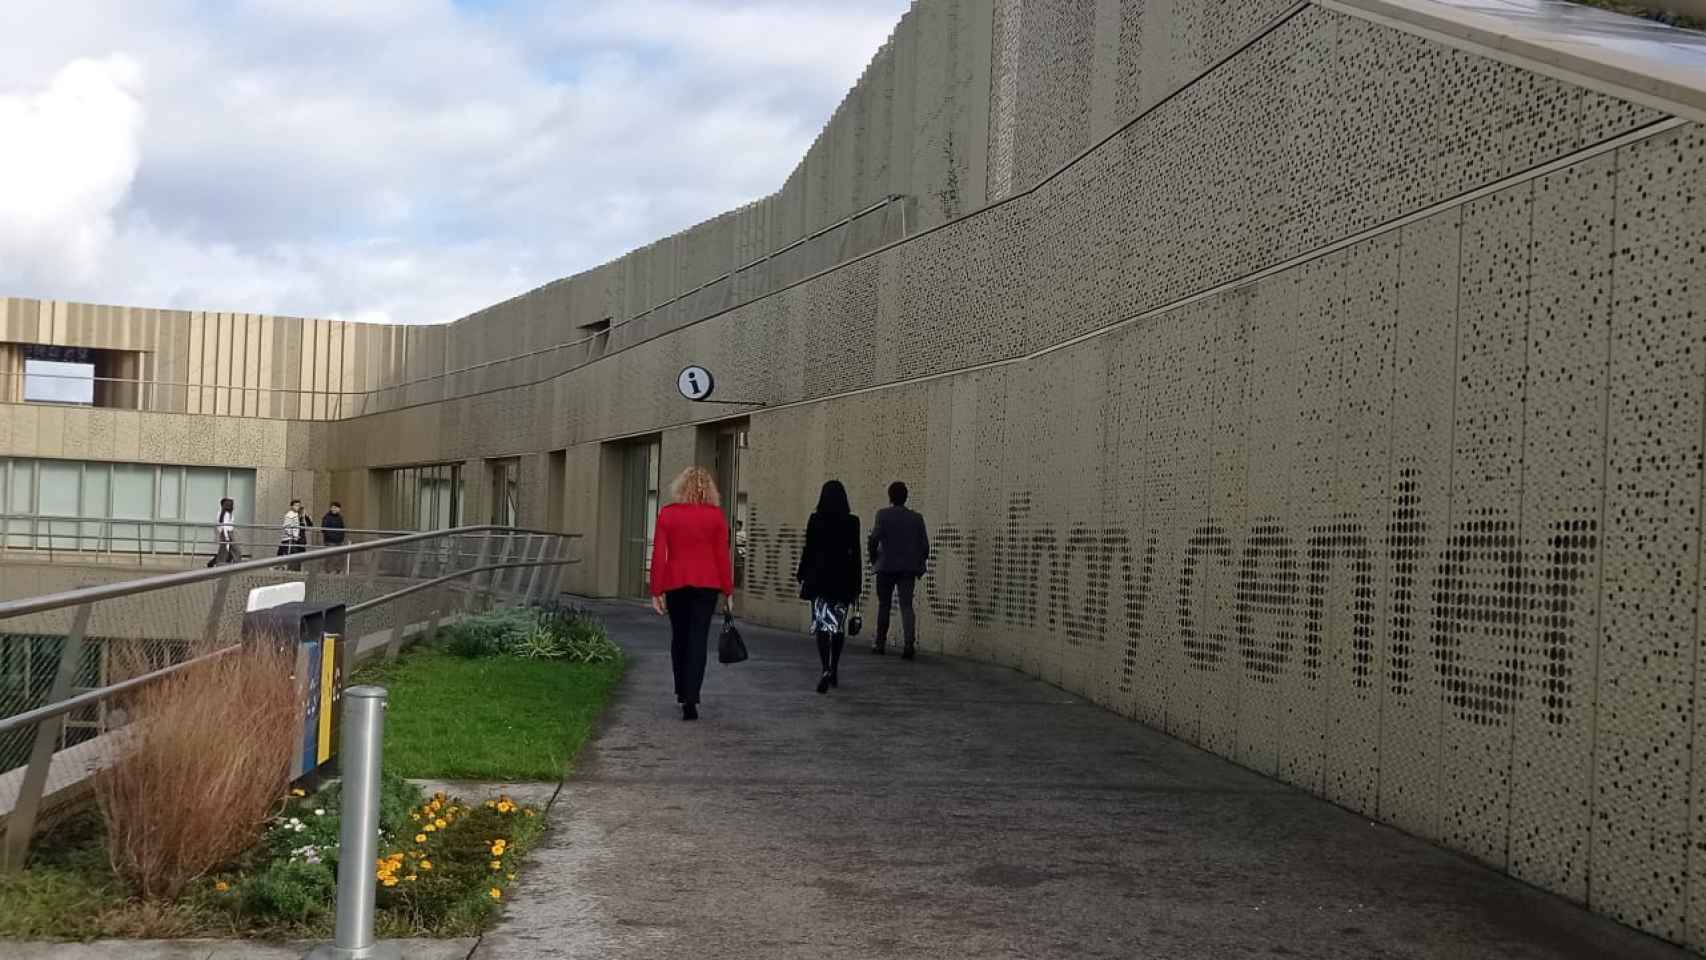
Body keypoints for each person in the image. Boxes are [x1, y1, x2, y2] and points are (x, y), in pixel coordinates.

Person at [649, 466, 735, 721]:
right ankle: (692, 696)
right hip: (707, 584)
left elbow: (659, 555)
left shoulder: (668, 514)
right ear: (710, 490)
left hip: (676, 583)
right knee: (698, 638)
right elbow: (722, 556)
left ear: (680, 487)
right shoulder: (715, 517)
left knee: (680, 637)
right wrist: (728, 590)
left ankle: (681, 690)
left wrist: (656, 590)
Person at [796, 480, 862, 694]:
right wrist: (857, 584)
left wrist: (802, 573)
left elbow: (809, 549)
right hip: (843, 580)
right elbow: (856, 555)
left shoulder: (815, 520)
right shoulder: (852, 522)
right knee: (838, 626)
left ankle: (825, 667)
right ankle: (834, 668)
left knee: (822, 624)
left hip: (819, 579)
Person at [868, 480, 930, 659]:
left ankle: (880, 643)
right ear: (906, 497)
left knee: (884, 605)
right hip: (907, 568)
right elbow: (924, 546)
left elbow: (874, 539)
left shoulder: (883, 515)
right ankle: (909, 644)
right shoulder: (916, 518)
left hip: (886, 566)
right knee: (906, 605)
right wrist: (918, 562)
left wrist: (874, 558)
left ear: (890, 497)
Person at [207, 497, 238, 567]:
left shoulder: (229, 513)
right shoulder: (223, 513)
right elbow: (223, 526)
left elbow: (230, 525)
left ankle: (214, 563)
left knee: (227, 551)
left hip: (229, 533)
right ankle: (220, 564)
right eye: (230, 504)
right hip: (225, 533)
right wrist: (226, 536)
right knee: (230, 550)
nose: (232, 506)